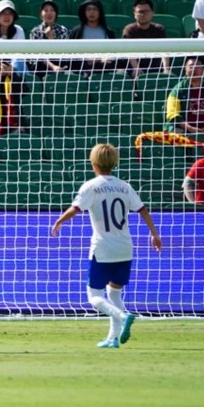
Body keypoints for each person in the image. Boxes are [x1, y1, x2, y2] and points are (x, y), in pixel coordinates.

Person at [51, 143, 162, 348]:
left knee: (94, 297)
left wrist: (59, 221)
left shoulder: (91, 186)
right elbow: (143, 210)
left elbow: (75, 209)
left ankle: (123, 315)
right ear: (115, 163)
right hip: (125, 248)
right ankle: (113, 339)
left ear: (93, 164)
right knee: (114, 293)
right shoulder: (124, 186)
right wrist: (154, 235)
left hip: (102, 249)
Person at [165, 55, 204, 136]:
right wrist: (191, 129)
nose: (194, 68)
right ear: (185, 69)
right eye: (191, 66)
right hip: (184, 130)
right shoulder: (177, 91)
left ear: (203, 69)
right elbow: (172, 115)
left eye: (198, 66)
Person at [122, 0, 170, 78]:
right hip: (132, 69)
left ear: (152, 13)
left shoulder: (159, 29)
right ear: (135, 14)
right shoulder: (129, 30)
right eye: (140, 12)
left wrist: (166, 69)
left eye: (147, 11)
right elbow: (129, 51)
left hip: (156, 68)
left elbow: (164, 51)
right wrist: (136, 68)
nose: (143, 14)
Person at [68, 0, 117, 75]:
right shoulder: (76, 31)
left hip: (104, 70)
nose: (91, 12)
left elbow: (114, 53)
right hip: (82, 70)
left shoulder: (108, 32)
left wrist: (104, 59)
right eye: (88, 9)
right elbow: (70, 54)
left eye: (95, 9)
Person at [28, 0, 69, 76]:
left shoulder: (63, 30)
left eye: (52, 10)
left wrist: (52, 39)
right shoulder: (35, 31)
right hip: (41, 68)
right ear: (41, 14)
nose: (49, 13)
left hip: (60, 65)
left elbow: (64, 55)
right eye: (46, 10)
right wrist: (52, 66)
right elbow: (36, 57)